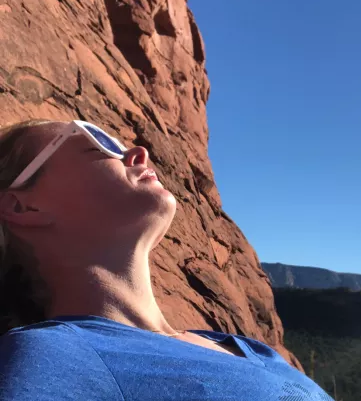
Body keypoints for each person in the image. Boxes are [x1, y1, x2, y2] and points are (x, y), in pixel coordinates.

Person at [0, 119, 334, 401]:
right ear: (23, 207)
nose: (136, 152)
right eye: (97, 141)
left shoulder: (248, 348)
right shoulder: (53, 357)